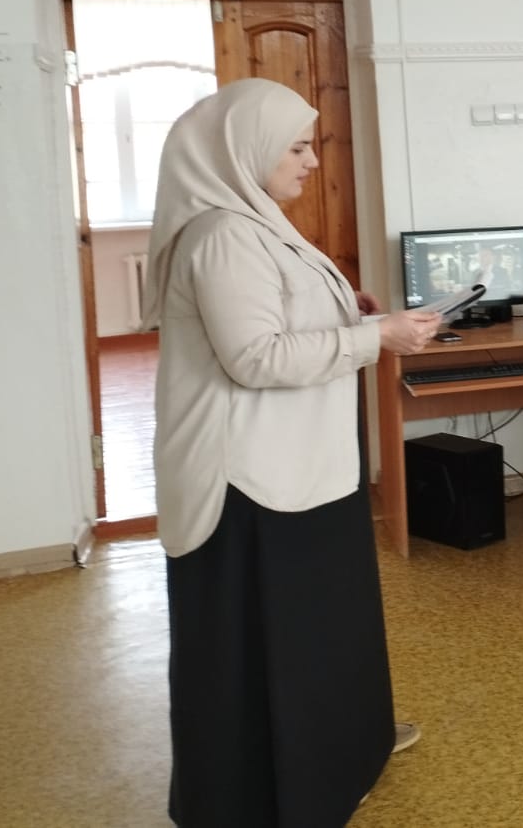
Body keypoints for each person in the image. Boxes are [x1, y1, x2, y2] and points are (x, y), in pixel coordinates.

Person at [145, 78, 442, 826]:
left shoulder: (260, 222)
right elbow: (254, 357)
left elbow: (282, 312)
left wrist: (351, 310)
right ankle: (278, 796)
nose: (313, 160)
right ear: (246, 150)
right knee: (276, 642)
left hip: (300, 466)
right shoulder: (222, 234)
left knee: (325, 627)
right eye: (298, 147)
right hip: (251, 481)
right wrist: (376, 336)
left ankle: (346, 753)